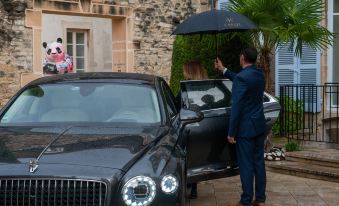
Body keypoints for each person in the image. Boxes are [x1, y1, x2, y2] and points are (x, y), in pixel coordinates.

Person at [215, 48, 266, 206]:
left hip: (245, 129)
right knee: (259, 163)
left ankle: (245, 201)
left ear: (243, 58)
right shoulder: (259, 74)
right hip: (259, 126)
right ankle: (260, 199)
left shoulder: (242, 78)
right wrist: (224, 70)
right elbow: (241, 79)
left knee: (246, 165)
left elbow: (236, 107)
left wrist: (231, 133)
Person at [182, 60, 208, 199]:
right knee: (195, 155)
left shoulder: (188, 87)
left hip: (190, 125)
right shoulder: (206, 86)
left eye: (185, 70)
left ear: (190, 71)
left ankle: (191, 185)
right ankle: (193, 187)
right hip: (203, 125)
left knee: (188, 155)